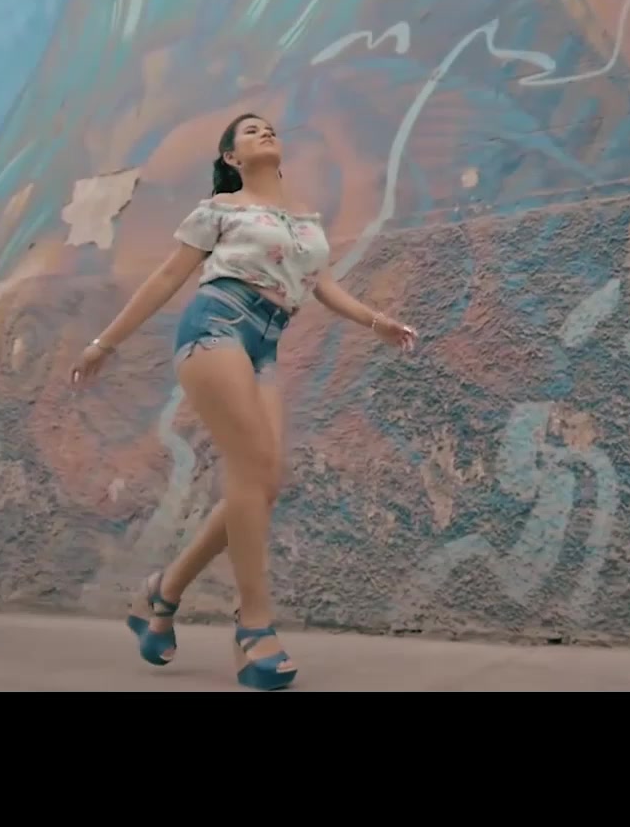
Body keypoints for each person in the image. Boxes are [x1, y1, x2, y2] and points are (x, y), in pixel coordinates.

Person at [69, 111, 418, 690]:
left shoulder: (305, 219)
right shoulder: (220, 210)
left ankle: (163, 591)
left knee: (266, 482)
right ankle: (254, 626)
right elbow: (166, 278)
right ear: (231, 158)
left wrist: (375, 321)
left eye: (268, 128)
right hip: (217, 327)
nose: (264, 132)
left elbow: (322, 285)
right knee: (250, 467)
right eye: (249, 131)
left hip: (265, 345)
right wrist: (104, 343)